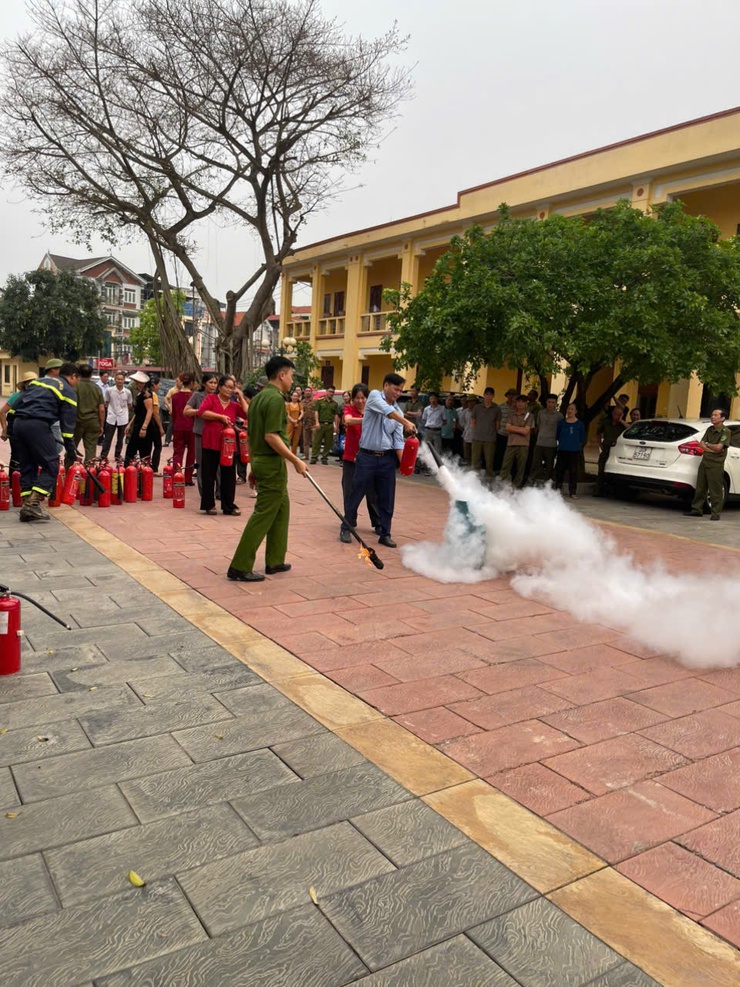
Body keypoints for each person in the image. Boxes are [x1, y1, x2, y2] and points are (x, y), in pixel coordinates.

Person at [227, 356, 307, 582]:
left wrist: (253, 466)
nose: (291, 380)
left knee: (282, 509)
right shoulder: (274, 400)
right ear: (281, 375)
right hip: (271, 464)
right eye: (290, 375)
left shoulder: (259, 398)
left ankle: (275, 560)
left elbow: (253, 435)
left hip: (263, 461)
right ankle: (239, 566)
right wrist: (295, 460)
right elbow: (271, 436)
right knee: (263, 514)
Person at [343, 372, 417, 548]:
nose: (398, 393)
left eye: (401, 391)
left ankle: (385, 533)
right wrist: (406, 422)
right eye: (395, 389)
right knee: (356, 493)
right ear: (386, 386)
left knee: (386, 497)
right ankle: (346, 527)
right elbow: (387, 412)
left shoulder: (398, 412)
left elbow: (397, 441)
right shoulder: (375, 397)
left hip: (386, 459)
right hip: (366, 457)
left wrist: (405, 464)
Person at [12, 360, 78, 521]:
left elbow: (16, 404)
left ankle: (27, 507)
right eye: (77, 379)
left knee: (28, 465)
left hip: (18, 424)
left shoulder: (37, 382)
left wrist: (9, 429)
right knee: (51, 464)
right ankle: (32, 504)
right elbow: (67, 428)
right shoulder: (68, 391)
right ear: (73, 376)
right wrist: (71, 450)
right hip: (38, 425)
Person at [196, 375, 250, 515]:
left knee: (229, 475)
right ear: (220, 387)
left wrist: (241, 397)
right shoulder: (211, 399)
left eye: (233, 388)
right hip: (211, 441)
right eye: (228, 387)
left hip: (228, 444)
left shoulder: (234, 405)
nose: (230, 390)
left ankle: (228, 505)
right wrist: (219, 417)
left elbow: (248, 413)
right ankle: (208, 505)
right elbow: (202, 412)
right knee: (209, 474)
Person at [339, 383, 380, 543]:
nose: (360, 401)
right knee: (349, 490)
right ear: (352, 399)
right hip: (351, 457)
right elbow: (348, 421)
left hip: (369, 458)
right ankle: (349, 522)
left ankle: (378, 523)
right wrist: (366, 419)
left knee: (372, 492)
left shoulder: (373, 411)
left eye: (363, 398)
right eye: (357, 398)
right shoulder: (349, 410)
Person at [683, 408, 731, 521]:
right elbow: (701, 444)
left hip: (715, 464)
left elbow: (719, 447)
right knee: (700, 487)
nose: (712, 417)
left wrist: (708, 446)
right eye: (712, 415)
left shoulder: (725, 431)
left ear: (722, 418)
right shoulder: (710, 429)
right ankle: (697, 509)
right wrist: (711, 447)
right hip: (705, 461)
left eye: (716, 415)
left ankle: (716, 512)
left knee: (715, 490)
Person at [184, 374, 219, 497]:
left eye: (215, 383)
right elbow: (186, 411)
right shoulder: (197, 396)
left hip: (217, 434)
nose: (213, 385)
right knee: (202, 463)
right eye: (211, 382)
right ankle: (204, 493)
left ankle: (219, 492)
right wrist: (201, 412)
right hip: (200, 433)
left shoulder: (219, 397)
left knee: (218, 465)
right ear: (204, 383)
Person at [0, 371, 37, 467]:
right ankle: (14, 475)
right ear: (24, 384)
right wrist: (4, 430)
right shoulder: (16, 396)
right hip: (15, 431)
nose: (32, 384)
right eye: (29, 382)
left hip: (32, 431)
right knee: (16, 456)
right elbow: (2, 412)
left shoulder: (39, 397)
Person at [72, 364, 105, 463]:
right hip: (93, 422)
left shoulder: (75, 387)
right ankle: (89, 470)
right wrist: (101, 425)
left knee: (72, 447)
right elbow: (102, 409)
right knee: (91, 451)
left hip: (77, 422)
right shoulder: (97, 388)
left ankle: (68, 469)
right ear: (91, 374)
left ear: (78, 373)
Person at [499, 394, 533, 487]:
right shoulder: (511, 414)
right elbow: (507, 427)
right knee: (505, 465)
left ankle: (517, 487)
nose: (520, 404)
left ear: (526, 404)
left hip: (523, 444)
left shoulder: (529, 415)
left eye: (523, 402)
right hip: (511, 443)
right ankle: (501, 485)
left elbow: (526, 431)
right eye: (518, 401)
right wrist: (520, 429)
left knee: (520, 468)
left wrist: (513, 428)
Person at [124, 371, 157, 464]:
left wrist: (144, 427)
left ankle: (144, 469)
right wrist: (130, 424)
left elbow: (149, 411)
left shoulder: (147, 393)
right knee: (131, 449)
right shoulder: (140, 393)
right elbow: (138, 412)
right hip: (137, 424)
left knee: (144, 451)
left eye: (137, 381)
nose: (135, 383)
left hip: (144, 425)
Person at [529, 394, 562, 486]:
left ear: (556, 403)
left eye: (553, 402)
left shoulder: (559, 416)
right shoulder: (541, 413)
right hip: (540, 442)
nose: (550, 404)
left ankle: (547, 485)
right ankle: (531, 482)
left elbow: (560, 430)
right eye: (549, 402)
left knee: (549, 466)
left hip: (551, 444)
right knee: (535, 464)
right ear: (546, 402)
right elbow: (538, 425)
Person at [171, 372, 197, 485]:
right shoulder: (194, 396)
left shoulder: (175, 396)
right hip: (191, 428)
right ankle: (188, 479)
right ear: (192, 383)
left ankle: (177, 475)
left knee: (178, 453)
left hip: (178, 427)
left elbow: (174, 414)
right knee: (191, 453)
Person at [555, 403, 586, 499]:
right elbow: (557, 435)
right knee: (560, 471)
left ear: (576, 411)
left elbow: (582, 438)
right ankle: (557, 490)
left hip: (574, 451)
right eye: (568, 409)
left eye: (572, 409)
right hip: (562, 450)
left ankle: (572, 492)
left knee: (573, 471)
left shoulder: (579, 424)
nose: (570, 411)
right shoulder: (561, 423)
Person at [100, 371, 133, 460]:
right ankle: (103, 455)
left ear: (124, 380)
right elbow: (106, 402)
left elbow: (129, 404)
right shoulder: (109, 390)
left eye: (121, 379)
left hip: (123, 418)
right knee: (108, 438)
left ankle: (117, 455)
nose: (120, 381)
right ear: (115, 380)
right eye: (118, 379)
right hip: (111, 417)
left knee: (120, 439)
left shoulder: (128, 392)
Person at [594, 405, 626, 496]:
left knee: (613, 471)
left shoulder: (622, 425)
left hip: (616, 451)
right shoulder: (606, 422)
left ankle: (611, 491)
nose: (616, 416)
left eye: (619, 415)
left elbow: (630, 428)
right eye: (615, 414)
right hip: (606, 449)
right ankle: (598, 491)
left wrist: (621, 421)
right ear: (612, 413)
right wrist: (600, 444)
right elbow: (598, 433)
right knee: (601, 470)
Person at [470, 387, 500, 479]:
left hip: (490, 439)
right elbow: (473, 422)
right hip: (477, 437)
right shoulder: (477, 407)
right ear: (484, 395)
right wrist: (477, 431)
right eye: (486, 394)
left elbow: (497, 424)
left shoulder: (496, 408)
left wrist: (491, 432)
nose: (488, 396)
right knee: (475, 460)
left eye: (490, 395)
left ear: (493, 396)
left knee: (489, 461)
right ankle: (474, 478)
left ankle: (489, 478)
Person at [311, 385, 340, 464]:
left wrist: (336, 426)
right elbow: (316, 412)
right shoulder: (320, 401)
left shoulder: (335, 404)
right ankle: (314, 457)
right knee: (317, 441)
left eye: (333, 392)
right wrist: (317, 422)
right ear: (326, 391)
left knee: (328, 442)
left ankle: (324, 458)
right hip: (321, 423)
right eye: (330, 391)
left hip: (330, 425)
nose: (331, 393)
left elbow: (336, 415)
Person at [493, 388, 517, 474]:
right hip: (502, 433)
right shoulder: (501, 407)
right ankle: (497, 470)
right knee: (499, 453)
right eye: (510, 395)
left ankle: (509, 471)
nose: (511, 397)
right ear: (507, 396)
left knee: (511, 455)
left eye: (514, 395)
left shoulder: (517, 408)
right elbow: (497, 419)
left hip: (513, 435)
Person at [148, 375, 165, 473]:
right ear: (154, 385)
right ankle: (154, 467)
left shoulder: (145, 393)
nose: (159, 386)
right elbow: (155, 413)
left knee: (148, 446)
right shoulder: (153, 395)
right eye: (158, 384)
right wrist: (161, 427)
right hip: (153, 424)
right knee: (158, 446)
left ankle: (147, 466)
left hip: (147, 423)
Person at [164, 376, 182, 446]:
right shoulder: (172, 390)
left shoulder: (184, 390)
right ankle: (167, 441)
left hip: (182, 412)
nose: (180, 383)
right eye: (179, 381)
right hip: (173, 411)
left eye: (181, 381)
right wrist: (169, 408)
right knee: (171, 426)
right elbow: (166, 399)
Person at [286, 386, 304, 455]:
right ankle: (286, 454)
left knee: (296, 440)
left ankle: (293, 454)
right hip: (290, 423)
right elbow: (287, 414)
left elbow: (302, 413)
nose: (295, 397)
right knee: (288, 438)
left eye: (296, 396)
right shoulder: (288, 405)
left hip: (298, 423)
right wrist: (293, 420)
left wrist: (298, 420)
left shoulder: (299, 405)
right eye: (294, 396)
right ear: (291, 397)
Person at [300, 386, 315, 460]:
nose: (308, 392)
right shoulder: (301, 402)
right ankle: (306, 455)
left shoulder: (315, 401)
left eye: (309, 391)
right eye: (306, 391)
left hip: (314, 423)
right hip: (305, 423)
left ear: (311, 392)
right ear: (304, 392)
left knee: (314, 441)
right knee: (306, 441)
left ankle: (314, 456)